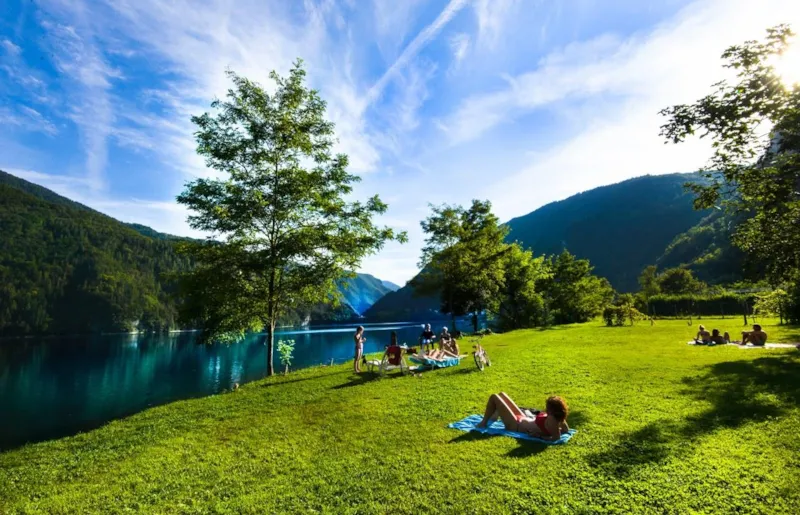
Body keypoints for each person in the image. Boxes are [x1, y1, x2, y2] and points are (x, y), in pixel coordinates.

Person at [476, 392, 569, 442]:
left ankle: (483, 423)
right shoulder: (558, 417)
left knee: (494, 397)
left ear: (552, 409)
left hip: (515, 426)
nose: (546, 408)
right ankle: (494, 416)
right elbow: (565, 430)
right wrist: (549, 431)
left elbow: (556, 438)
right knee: (501, 394)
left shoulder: (552, 419)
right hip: (522, 418)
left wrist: (540, 436)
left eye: (548, 406)